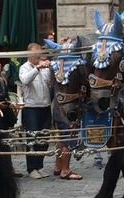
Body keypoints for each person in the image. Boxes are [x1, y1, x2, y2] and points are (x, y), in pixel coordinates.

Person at [18, 43, 53, 178]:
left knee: (44, 139)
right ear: (29, 54)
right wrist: (37, 68)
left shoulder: (44, 68)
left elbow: (50, 84)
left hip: (45, 107)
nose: (37, 56)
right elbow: (25, 80)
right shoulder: (24, 68)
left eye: (39, 53)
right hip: (31, 108)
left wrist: (49, 68)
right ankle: (31, 168)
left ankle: (39, 166)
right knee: (32, 139)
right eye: (35, 54)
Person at [52, 39, 83, 181]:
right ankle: (65, 170)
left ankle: (58, 167)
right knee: (69, 137)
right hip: (68, 108)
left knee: (61, 137)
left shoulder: (55, 66)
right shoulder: (75, 67)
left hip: (57, 106)